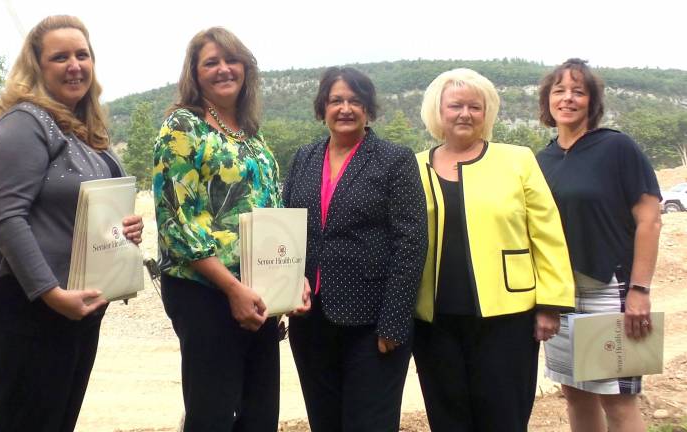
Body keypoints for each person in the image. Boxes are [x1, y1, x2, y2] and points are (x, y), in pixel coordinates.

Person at [0, 15, 144, 432]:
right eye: (60, 56)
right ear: (37, 67)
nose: (74, 65)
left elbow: (80, 210)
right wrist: (49, 293)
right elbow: (5, 217)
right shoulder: (24, 124)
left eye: (82, 55)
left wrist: (124, 229)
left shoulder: (84, 131)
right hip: (27, 303)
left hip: (76, 302)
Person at [153, 27, 310, 431]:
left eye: (232, 60)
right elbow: (176, 220)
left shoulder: (251, 135)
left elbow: (270, 212)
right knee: (213, 414)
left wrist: (291, 279)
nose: (224, 69)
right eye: (211, 62)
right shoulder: (183, 127)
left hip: (259, 291)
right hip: (205, 291)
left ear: (246, 68)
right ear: (195, 73)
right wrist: (232, 288)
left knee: (260, 415)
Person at [412, 68, 575, 432]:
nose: (465, 114)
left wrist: (550, 303)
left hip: (508, 317)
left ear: (488, 113)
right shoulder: (414, 166)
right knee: (447, 414)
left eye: (475, 106)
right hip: (434, 320)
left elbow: (547, 233)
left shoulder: (517, 160)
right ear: (437, 111)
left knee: (504, 414)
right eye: (455, 105)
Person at [282, 66, 427, 432]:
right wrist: (286, 286)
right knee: (324, 421)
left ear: (367, 109)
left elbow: (411, 244)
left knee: (369, 424)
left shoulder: (394, 159)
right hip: (311, 319)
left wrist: (393, 322)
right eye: (336, 100)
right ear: (322, 108)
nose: (345, 108)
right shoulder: (304, 158)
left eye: (354, 101)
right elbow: (286, 229)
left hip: (372, 325)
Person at [537, 58, 662, 432]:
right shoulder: (542, 159)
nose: (568, 98)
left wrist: (639, 290)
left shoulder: (616, 147)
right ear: (547, 101)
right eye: (559, 91)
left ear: (592, 102)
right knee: (575, 393)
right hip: (559, 293)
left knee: (618, 401)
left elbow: (650, 219)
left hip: (609, 288)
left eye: (579, 91)